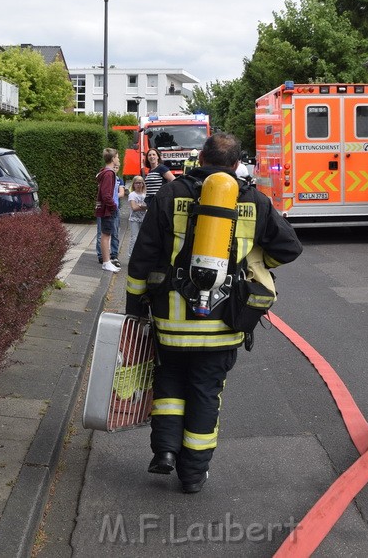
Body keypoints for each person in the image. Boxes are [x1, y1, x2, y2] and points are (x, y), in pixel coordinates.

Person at [126, 133, 302, 494]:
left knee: (170, 382)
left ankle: (165, 453)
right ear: (237, 164)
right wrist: (252, 263)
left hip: (172, 322)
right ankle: (192, 475)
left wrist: (135, 311)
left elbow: (142, 258)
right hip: (224, 323)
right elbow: (289, 247)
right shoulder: (253, 199)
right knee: (206, 392)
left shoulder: (171, 195)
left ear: (201, 157)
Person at [95, 148, 120, 273]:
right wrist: (113, 206)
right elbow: (106, 195)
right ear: (113, 159)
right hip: (108, 210)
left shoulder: (105, 172)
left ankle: (107, 261)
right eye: (117, 157)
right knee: (106, 235)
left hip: (106, 209)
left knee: (106, 235)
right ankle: (106, 262)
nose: (119, 159)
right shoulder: (109, 174)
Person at [126, 175, 147, 259]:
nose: (138, 184)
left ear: (143, 184)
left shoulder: (145, 194)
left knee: (142, 238)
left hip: (144, 219)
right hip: (134, 219)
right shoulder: (132, 195)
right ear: (133, 184)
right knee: (134, 238)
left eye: (140, 183)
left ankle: (140, 256)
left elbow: (149, 205)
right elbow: (134, 208)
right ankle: (131, 256)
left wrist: (141, 206)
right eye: (136, 183)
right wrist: (144, 206)